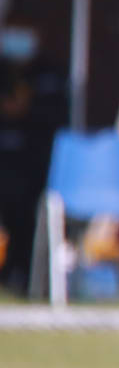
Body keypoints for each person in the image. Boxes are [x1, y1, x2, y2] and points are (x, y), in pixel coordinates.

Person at [0, 15, 63, 297]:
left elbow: (58, 116)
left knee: (27, 216)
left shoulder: (49, 72)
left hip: (33, 165)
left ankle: (23, 276)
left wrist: (24, 110)